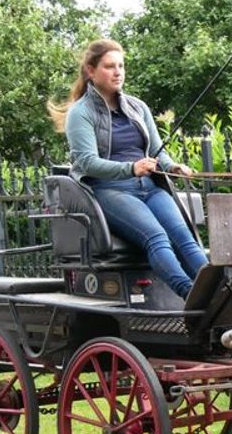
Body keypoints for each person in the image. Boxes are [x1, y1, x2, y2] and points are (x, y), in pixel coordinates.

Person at [48, 39, 208, 299]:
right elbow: (87, 163)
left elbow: (156, 153)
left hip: (149, 187)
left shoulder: (137, 107)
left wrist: (172, 167)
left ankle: (217, 293)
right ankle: (191, 295)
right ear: (91, 71)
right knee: (156, 237)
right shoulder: (81, 113)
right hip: (108, 190)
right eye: (110, 66)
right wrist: (130, 169)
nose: (118, 72)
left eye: (121, 66)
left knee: (184, 236)